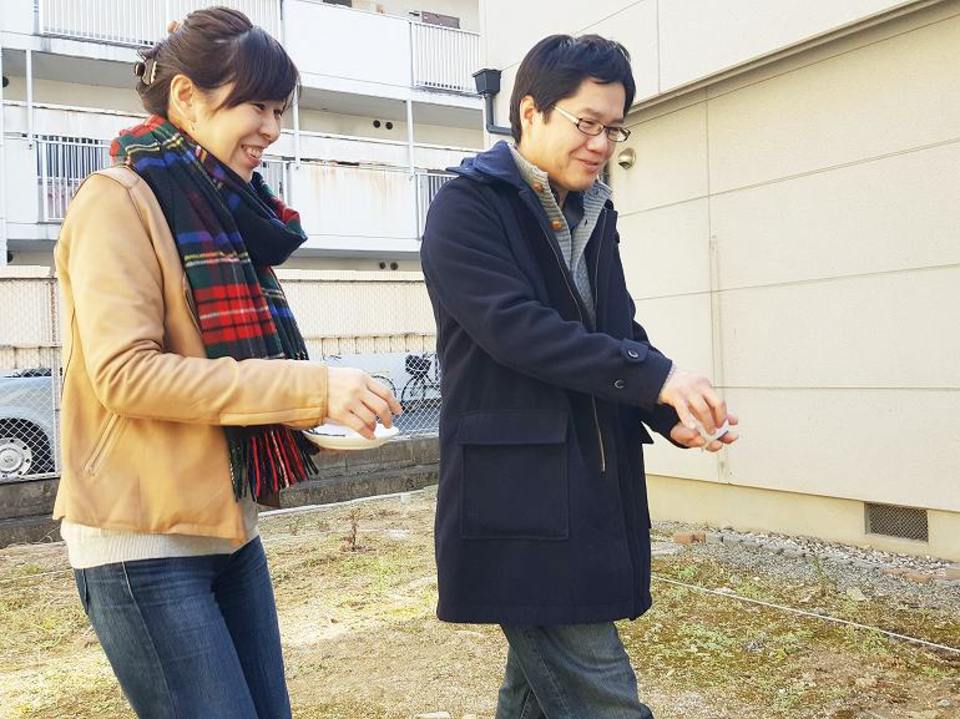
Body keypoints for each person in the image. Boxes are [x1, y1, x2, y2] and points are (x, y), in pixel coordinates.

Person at [52, 8, 401, 718]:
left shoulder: (222, 209)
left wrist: (321, 405)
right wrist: (308, 389)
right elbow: (127, 373)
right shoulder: (117, 200)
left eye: (278, 109)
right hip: (140, 541)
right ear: (187, 97)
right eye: (256, 105)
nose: (271, 127)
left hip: (229, 526)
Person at [420, 34, 739, 718]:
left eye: (614, 127)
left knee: (535, 697)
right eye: (586, 123)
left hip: (589, 486)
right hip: (518, 501)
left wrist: (668, 414)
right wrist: (654, 377)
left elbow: (614, 332)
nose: (601, 143)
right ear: (529, 112)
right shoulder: (466, 208)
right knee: (604, 698)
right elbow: (518, 330)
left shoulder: (594, 209)